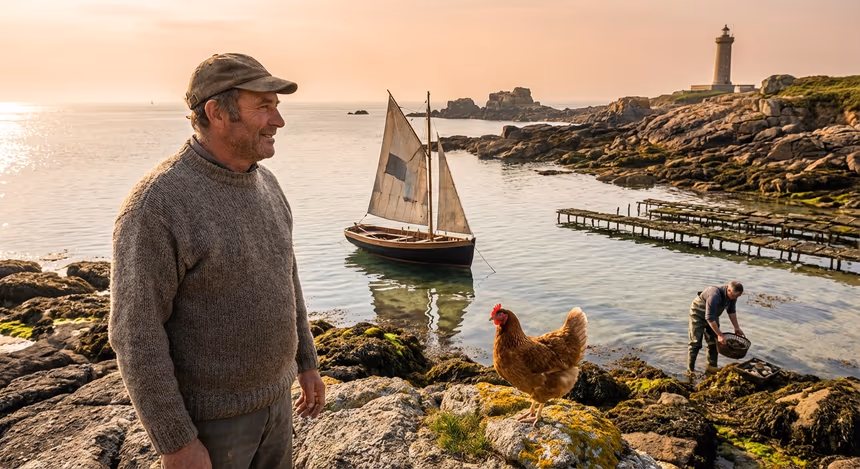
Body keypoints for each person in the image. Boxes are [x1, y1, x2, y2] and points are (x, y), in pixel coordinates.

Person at [109, 53, 325, 469]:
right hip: (211, 426)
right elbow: (135, 334)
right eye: (264, 106)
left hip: (278, 407)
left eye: (276, 107)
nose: (278, 121)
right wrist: (175, 442)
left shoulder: (267, 184)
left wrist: (306, 363)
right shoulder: (157, 204)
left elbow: (287, 277)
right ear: (216, 112)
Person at [687, 281, 745, 375]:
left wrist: (736, 327)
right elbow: (709, 318)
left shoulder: (732, 296)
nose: (736, 298)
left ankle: (712, 368)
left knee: (714, 343)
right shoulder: (714, 294)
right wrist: (720, 335)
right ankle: (690, 371)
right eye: (736, 296)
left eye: (738, 296)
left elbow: (732, 312)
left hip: (712, 316)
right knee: (695, 343)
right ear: (729, 290)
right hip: (698, 314)